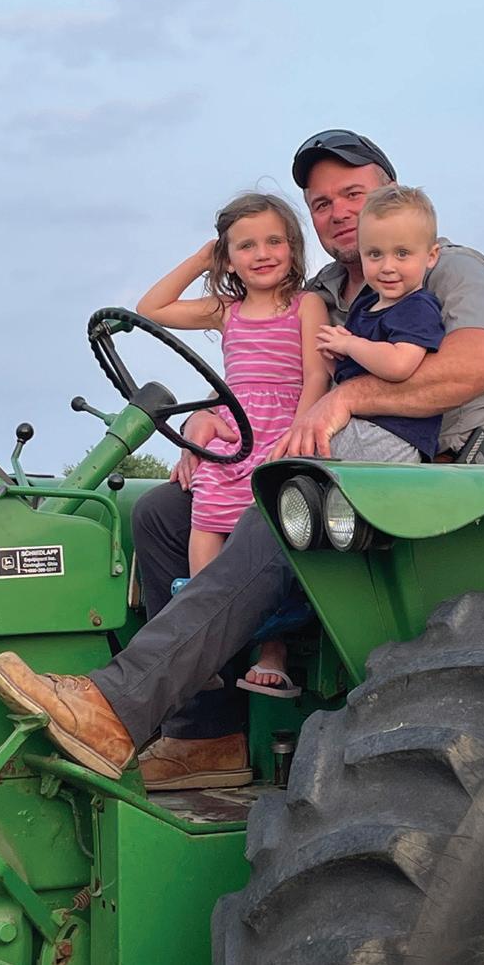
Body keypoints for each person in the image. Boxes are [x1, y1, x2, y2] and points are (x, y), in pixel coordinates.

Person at [0, 130, 484, 787]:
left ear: (389, 194)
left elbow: (478, 366)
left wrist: (346, 398)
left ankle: (115, 703)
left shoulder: (444, 266)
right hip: (331, 462)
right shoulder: (322, 288)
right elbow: (270, 374)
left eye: (353, 193)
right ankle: (206, 734)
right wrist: (208, 415)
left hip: (423, 476)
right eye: (321, 204)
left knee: (277, 508)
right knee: (161, 515)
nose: (339, 212)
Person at [135, 192, 329, 693]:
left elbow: (315, 376)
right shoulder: (227, 311)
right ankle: (202, 641)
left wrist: (299, 433)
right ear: (228, 257)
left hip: (283, 427)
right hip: (234, 428)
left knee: (261, 527)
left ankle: (272, 648)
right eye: (245, 246)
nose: (262, 254)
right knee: (206, 510)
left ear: (293, 247)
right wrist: (204, 258)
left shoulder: (306, 305)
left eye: (274, 241)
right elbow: (150, 308)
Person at [316, 184, 444, 464]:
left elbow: (399, 364)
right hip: (358, 424)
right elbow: (352, 376)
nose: (387, 266)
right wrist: (333, 358)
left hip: (393, 434)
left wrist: (350, 344)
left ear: (431, 256)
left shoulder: (418, 307)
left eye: (402, 254)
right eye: (375, 254)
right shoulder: (365, 305)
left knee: (314, 466)